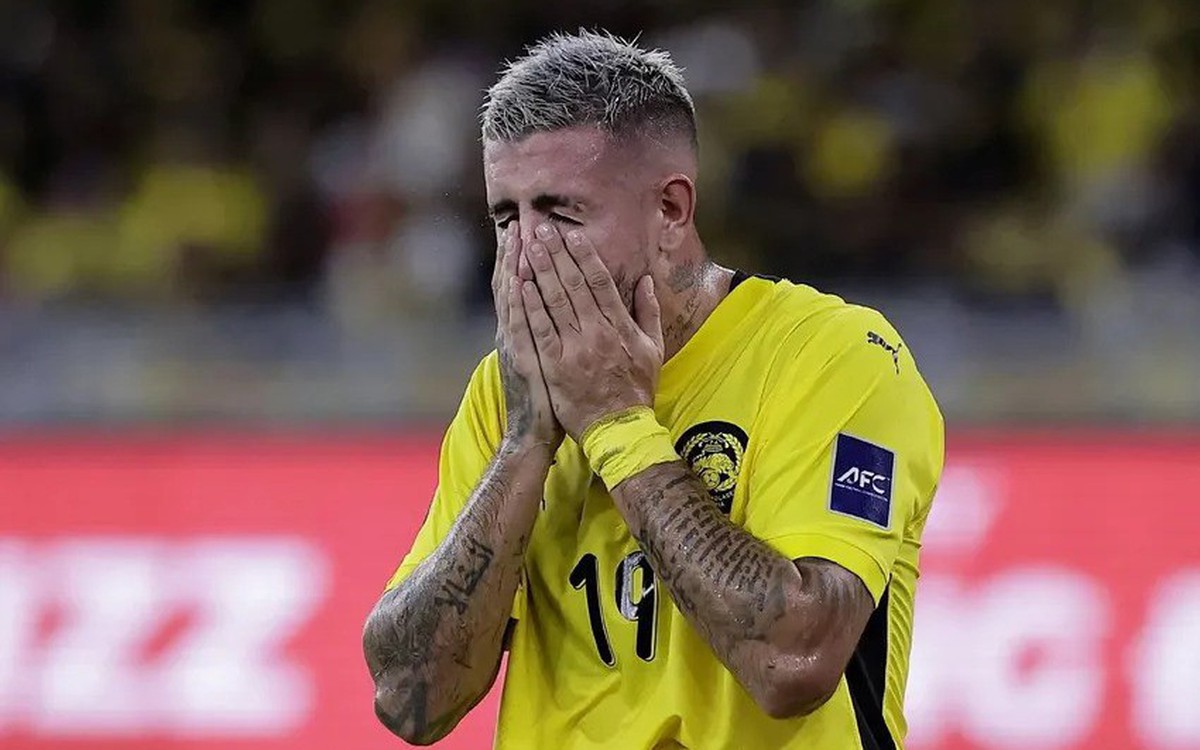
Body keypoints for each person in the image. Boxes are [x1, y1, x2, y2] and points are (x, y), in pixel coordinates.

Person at [363, 30, 944, 750]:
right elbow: (411, 703)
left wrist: (614, 423)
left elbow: (793, 661)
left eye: (561, 212)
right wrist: (525, 443)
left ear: (671, 210)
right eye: (507, 218)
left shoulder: (834, 356)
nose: (525, 255)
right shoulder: (506, 388)